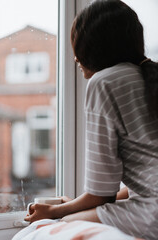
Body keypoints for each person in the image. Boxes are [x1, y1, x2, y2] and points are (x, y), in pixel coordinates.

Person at [25, 1, 158, 239]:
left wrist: (56, 211)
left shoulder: (105, 82)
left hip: (152, 215)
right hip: (151, 203)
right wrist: (78, 203)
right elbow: (147, 179)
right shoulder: (151, 77)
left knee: (60, 224)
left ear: (92, 45)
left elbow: (102, 194)